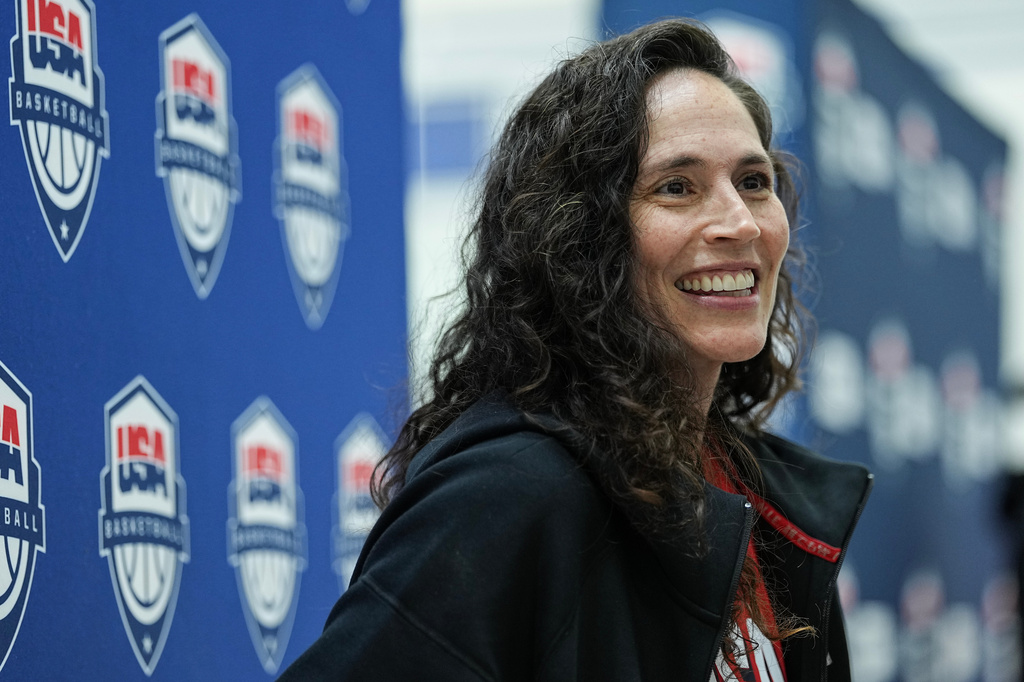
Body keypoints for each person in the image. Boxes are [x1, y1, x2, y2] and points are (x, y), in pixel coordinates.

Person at [279, 18, 872, 682]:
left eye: (754, 182)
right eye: (676, 186)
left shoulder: (765, 504)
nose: (739, 221)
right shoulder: (507, 494)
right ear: (579, 240)